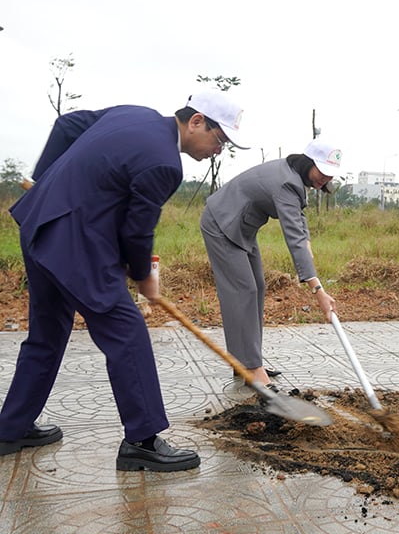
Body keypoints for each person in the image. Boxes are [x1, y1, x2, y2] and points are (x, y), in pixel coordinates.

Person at [0, 91, 247, 471]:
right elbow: (136, 230)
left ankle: (10, 428)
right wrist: (143, 276)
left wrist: (45, 181)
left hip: (39, 225)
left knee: (47, 334)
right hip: (74, 244)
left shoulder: (135, 114)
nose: (218, 149)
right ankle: (142, 441)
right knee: (127, 332)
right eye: (219, 139)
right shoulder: (166, 163)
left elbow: (68, 124)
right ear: (197, 121)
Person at [200, 140, 340, 387]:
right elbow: (293, 237)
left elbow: (299, 222)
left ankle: (246, 362)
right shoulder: (287, 183)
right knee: (243, 291)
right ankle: (252, 368)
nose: (325, 178)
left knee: (258, 287)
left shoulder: (294, 178)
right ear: (309, 161)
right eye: (321, 170)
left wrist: (306, 243)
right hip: (221, 223)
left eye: (330, 174)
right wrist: (318, 290)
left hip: (242, 227)